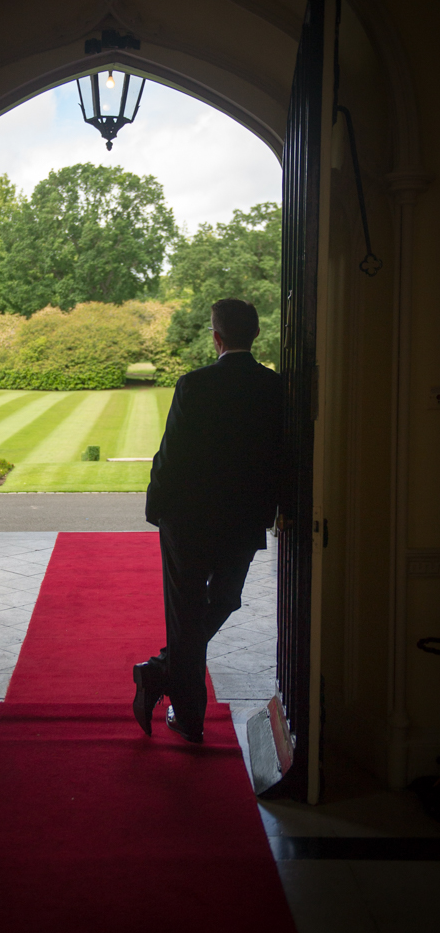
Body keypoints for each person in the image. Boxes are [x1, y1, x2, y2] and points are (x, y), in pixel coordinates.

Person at [133, 297, 283, 743]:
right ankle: (184, 710)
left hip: (189, 518)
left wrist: (154, 506)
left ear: (215, 337)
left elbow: (172, 454)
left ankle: (161, 677)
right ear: (255, 334)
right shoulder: (276, 387)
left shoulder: (194, 385)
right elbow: (281, 458)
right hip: (243, 519)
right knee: (222, 601)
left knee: (187, 614)